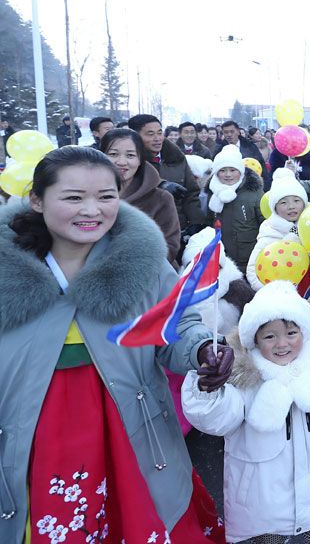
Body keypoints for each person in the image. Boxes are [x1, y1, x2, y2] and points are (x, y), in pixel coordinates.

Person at [0, 146, 230, 543]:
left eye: (106, 197)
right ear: (37, 199)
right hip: (33, 430)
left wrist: (200, 350)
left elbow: (175, 326)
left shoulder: (142, 260)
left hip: (129, 426)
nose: (92, 210)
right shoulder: (8, 267)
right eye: (73, 197)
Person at [182, 280, 310, 543]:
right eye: (269, 336)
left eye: (291, 333)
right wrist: (206, 388)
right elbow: (217, 418)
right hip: (263, 508)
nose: (282, 344)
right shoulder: (244, 378)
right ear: (254, 339)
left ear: (304, 332)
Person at [100, 128, 181, 265]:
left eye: (130, 155)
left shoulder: (160, 199)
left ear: (140, 160)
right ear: (101, 156)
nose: (121, 162)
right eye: (113, 154)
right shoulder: (87, 196)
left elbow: (169, 247)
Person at [128, 113, 206, 232]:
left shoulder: (176, 158)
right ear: (135, 136)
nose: (157, 138)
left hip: (177, 227)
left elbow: (191, 193)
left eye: (160, 133)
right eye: (150, 134)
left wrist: (196, 222)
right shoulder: (129, 162)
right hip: (143, 229)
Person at [205, 144, 265, 275]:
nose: (228, 175)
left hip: (249, 258)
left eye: (232, 170)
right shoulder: (212, 193)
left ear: (241, 171)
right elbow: (208, 222)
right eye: (222, 170)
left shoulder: (253, 192)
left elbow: (265, 222)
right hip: (222, 258)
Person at [246, 169, 309, 291]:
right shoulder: (269, 233)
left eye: (296, 201)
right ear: (275, 208)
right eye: (284, 203)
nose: (291, 206)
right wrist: (271, 291)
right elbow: (252, 270)